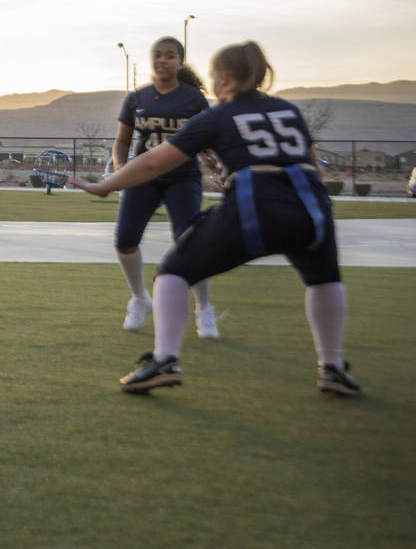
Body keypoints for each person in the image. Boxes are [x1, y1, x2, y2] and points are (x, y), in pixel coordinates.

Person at [71, 41, 360, 397]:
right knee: (324, 280)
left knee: (173, 272)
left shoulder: (218, 114)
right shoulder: (288, 110)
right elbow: (310, 167)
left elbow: (150, 162)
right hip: (311, 206)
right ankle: (332, 367)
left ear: (223, 77)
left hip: (257, 205)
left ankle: (165, 360)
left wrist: (103, 186)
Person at [110, 36, 221, 339]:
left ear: (179, 61)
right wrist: (122, 172)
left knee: (189, 241)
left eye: (169, 55)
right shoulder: (137, 98)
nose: (162, 60)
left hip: (181, 176)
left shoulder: (193, 99)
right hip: (142, 175)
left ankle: (204, 308)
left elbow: (206, 138)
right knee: (124, 239)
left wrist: (213, 161)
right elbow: (121, 142)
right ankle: (140, 298)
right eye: (157, 55)